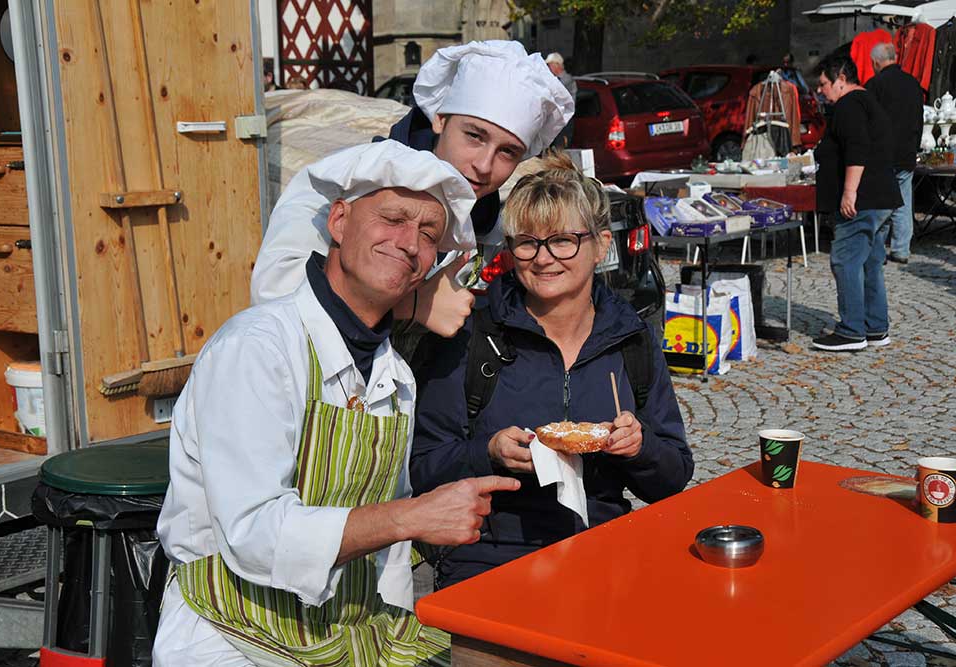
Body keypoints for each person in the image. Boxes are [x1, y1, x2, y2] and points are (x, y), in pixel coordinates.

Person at [153, 140, 522, 666]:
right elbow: (254, 534)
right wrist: (410, 517)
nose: (409, 243)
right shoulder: (258, 348)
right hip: (229, 630)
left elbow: (390, 563)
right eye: (392, 218)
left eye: (428, 234)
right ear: (340, 221)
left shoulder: (394, 374)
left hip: (345, 632)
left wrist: (397, 636)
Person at [410, 153, 694, 588]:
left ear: (601, 245)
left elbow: (673, 476)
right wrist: (487, 452)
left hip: (602, 550)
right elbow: (422, 467)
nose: (543, 259)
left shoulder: (631, 339)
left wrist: (640, 448)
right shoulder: (473, 335)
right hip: (490, 557)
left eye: (563, 240)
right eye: (527, 241)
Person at [251, 40, 574, 339]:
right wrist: (414, 304)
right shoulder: (349, 181)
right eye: (474, 136)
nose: (484, 165)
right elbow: (276, 293)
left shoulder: (484, 220)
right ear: (440, 119)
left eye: (508, 152)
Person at [812, 55, 902, 352]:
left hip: (863, 200)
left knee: (847, 260)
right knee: (870, 262)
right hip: (880, 197)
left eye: (823, 84)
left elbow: (858, 148)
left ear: (840, 79)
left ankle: (852, 330)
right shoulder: (869, 102)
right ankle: (875, 327)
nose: (821, 91)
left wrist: (849, 192)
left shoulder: (849, 105)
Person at [866, 42, 924, 264]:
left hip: (883, 152)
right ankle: (901, 249)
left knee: (882, 201)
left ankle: (877, 250)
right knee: (903, 200)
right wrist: (915, 145)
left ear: (876, 62)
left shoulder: (875, 85)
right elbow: (919, 118)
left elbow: (868, 121)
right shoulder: (912, 83)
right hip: (907, 150)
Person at [545, 52, 577, 148]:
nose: (547, 68)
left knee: (559, 152)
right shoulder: (552, 79)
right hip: (553, 122)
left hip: (564, 122)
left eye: (548, 65)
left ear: (557, 65)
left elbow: (556, 96)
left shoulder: (567, 80)